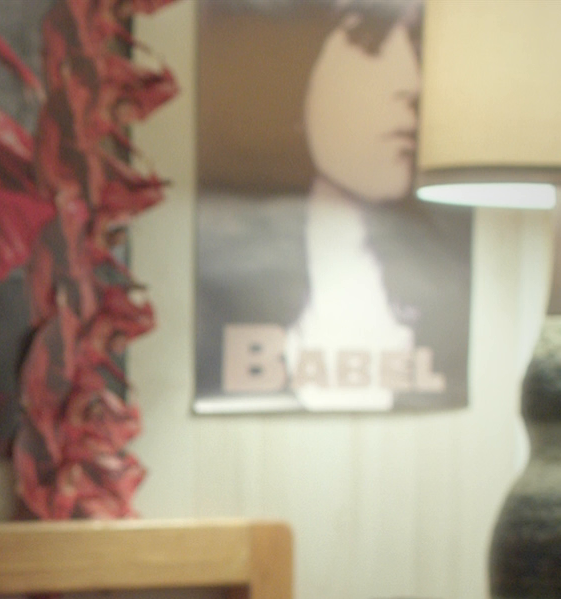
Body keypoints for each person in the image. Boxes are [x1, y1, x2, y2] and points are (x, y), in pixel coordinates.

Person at [194, 0, 470, 413]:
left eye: (417, 45)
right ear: (297, 65)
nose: (411, 82)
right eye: (370, 40)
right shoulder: (221, 285)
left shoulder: (446, 295)